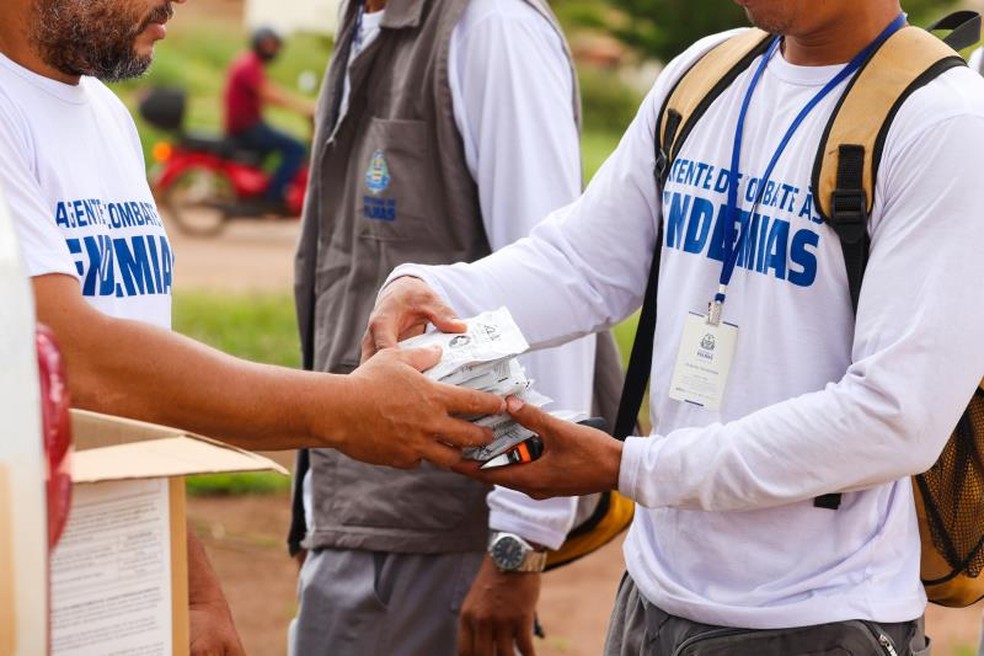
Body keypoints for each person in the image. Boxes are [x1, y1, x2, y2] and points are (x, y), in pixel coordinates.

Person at [363, 0, 984, 653]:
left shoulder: (944, 124)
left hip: (816, 618)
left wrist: (630, 467)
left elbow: (893, 418)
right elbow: (582, 264)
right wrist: (433, 289)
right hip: (650, 597)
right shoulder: (707, 73)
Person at [0, 0, 506, 653]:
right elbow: (77, 365)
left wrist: (192, 590)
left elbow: (134, 413)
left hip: (106, 582)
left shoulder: (103, 116)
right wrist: (345, 411)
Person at [287, 0, 623, 654]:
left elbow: (561, 287)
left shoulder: (493, 26)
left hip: (440, 520)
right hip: (362, 506)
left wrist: (518, 546)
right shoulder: (365, 20)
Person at [223, 26, 314, 213]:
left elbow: (269, 89)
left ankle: (270, 189)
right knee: (296, 147)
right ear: (258, 43)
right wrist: (302, 107)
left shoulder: (250, 63)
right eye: (268, 45)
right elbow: (268, 93)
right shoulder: (248, 65)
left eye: (275, 46)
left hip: (249, 125)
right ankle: (274, 197)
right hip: (246, 129)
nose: (272, 50)